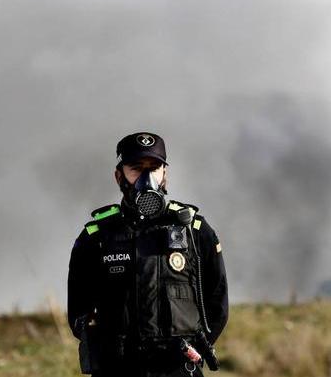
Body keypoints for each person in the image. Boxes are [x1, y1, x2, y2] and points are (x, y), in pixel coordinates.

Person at [67, 132, 229, 377]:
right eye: (136, 168)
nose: (147, 177)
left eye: (154, 167)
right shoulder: (96, 237)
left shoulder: (195, 231)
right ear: (119, 176)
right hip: (118, 369)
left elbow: (217, 303)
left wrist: (191, 349)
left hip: (178, 369)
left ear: (165, 173)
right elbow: (78, 311)